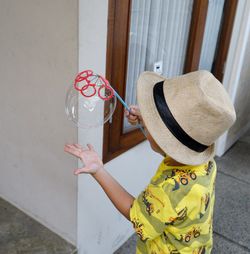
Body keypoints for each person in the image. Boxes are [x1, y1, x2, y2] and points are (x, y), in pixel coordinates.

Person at [64, 70, 236, 254]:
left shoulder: (170, 190)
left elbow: (135, 213)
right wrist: (149, 122)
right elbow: (171, 148)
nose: (148, 123)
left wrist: (99, 170)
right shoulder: (206, 164)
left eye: (154, 123)